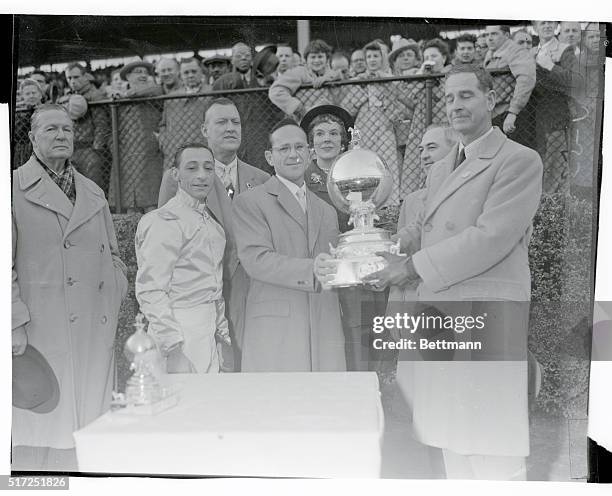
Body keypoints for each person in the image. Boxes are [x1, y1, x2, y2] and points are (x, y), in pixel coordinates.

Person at [361, 65, 543, 480]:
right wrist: (378, 250)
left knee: (494, 444)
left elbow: (490, 237)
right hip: (443, 311)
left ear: (491, 99)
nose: (455, 105)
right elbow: (422, 224)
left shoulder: (519, 160)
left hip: (488, 310)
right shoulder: (442, 167)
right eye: (448, 98)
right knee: (452, 438)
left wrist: (406, 267)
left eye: (466, 95)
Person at [12, 104, 128, 471]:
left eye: (66, 129)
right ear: (31, 138)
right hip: (40, 329)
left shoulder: (92, 189)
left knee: (88, 431)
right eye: (51, 130)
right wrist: (13, 322)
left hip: (93, 329)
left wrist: (115, 288)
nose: (61, 136)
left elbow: (113, 253)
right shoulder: (12, 186)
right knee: (44, 430)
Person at [158, 98, 269, 367]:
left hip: (253, 293)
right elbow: (166, 241)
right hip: (203, 295)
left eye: (235, 122)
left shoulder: (262, 179)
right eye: (221, 122)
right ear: (204, 130)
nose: (230, 128)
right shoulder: (179, 179)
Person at [232, 119, 346, 372]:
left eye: (299, 147)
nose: (293, 155)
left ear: (309, 152)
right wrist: (312, 269)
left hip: (324, 325)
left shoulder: (326, 209)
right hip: (277, 329)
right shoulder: (249, 202)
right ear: (269, 157)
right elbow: (256, 260)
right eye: (284, 149)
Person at [136, 143, 231, 374]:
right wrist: (174, 349)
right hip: (176, 330)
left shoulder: (212, 224)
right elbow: (151, 290)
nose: (201, 175)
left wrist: (222, 336)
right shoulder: (163, 221)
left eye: (208, 168)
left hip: (206, 334)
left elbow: (214, 288)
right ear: (175, 174)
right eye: (192, 168)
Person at [530, 20, 582, 194]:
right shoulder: (530, 52)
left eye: (550, 22)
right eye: (542, 23)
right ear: (535, 28)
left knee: (554, 158)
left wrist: (549, 65)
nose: (547, 26)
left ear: (556, 27)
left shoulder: (564, 50)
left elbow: (575, 80)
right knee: (539, 156)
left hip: (555, 110)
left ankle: (549, 199)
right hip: (533, 112)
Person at [401, 38, 452, 199]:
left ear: (443, 58)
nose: (430, 60)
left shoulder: (451, 75)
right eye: (427, 57)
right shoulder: (419, 76)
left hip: (443, 128)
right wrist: (421, 76)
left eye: (434, 56)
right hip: (420, 128)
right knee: (416, 168)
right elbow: (406, 96)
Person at [111, 59, 164, 211]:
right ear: (127, 76)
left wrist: (126, 95)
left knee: (151, 200)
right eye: (138, 72)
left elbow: (156, 90)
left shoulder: (153, 90)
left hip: (148, 149)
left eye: (146, 73)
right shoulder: (117, 96)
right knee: (130, 201)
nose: (143, 75)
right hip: (126, 152)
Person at [61, 62, 112, 194]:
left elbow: (102, 125)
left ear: (85, 77)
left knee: (92, 189)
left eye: (76, 77)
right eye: (69, 78)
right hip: (73, 149)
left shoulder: (95, 95)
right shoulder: (70, 95)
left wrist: (97, 149)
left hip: (90, 149)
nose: (72, 81)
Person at [483, 25, 536, 148]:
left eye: (494, 34)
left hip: (510, 114)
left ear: (506, 35)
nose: (489, 38)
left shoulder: (516, 51)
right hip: (495, 114)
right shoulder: (491, 53)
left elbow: (526, 79)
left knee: (515, 157)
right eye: (487, 35)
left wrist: (513, 112)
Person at [268, 39, 344, 121]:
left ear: (327, 59)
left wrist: (327, 78)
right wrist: (299, 108)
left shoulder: (330, 73)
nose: (316, 60)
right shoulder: (299, 72)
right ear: (306, 59)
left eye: (320, 56)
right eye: (313, 57)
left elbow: (339, 75)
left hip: (329, 120)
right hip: (304, 120)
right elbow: (275, 91)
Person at [158, 58, 211, 170]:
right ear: (180, 75)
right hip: (176, 152)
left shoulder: (211, 93)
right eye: (186, 73)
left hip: (203, 149)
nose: (190, 75)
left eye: (194, 71)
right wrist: (164, 143)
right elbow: (163, 124)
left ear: (201, 72)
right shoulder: (171, 97)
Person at [13, 79, 44, 169]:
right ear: (22, 97)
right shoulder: (18, 114)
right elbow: (18, 135)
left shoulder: (48, 110)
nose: (31, 96)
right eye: (27, 94)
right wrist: (29, 112)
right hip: (24, 154)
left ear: (40, 95)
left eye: (34, 93)